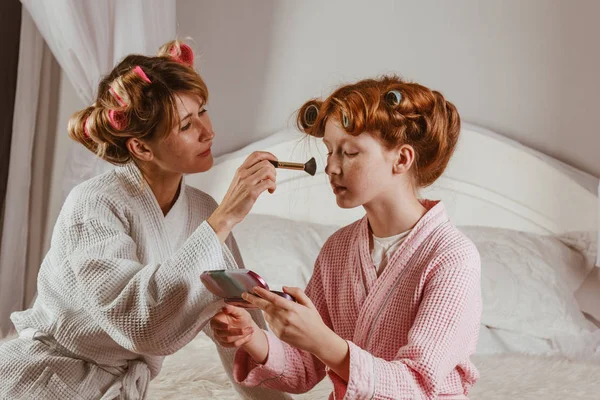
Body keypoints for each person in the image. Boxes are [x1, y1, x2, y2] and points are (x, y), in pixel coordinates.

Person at [0, 40, 290, 400]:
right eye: (186, 125)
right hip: (47, 380)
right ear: (141, 147)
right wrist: (225, 218)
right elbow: (140, 324)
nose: (208, 131)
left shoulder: (202, 209)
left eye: (203, 111)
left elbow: (240, 330)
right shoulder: (94, 204)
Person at [211, 75, 482, 399]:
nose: (331, 168)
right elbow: (305, 368)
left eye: (350, 153)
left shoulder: (451, 257)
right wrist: (251, 336)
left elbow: (418, 386)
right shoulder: (338, 249)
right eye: (329, 151)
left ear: (402, 159)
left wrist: (321, 340)